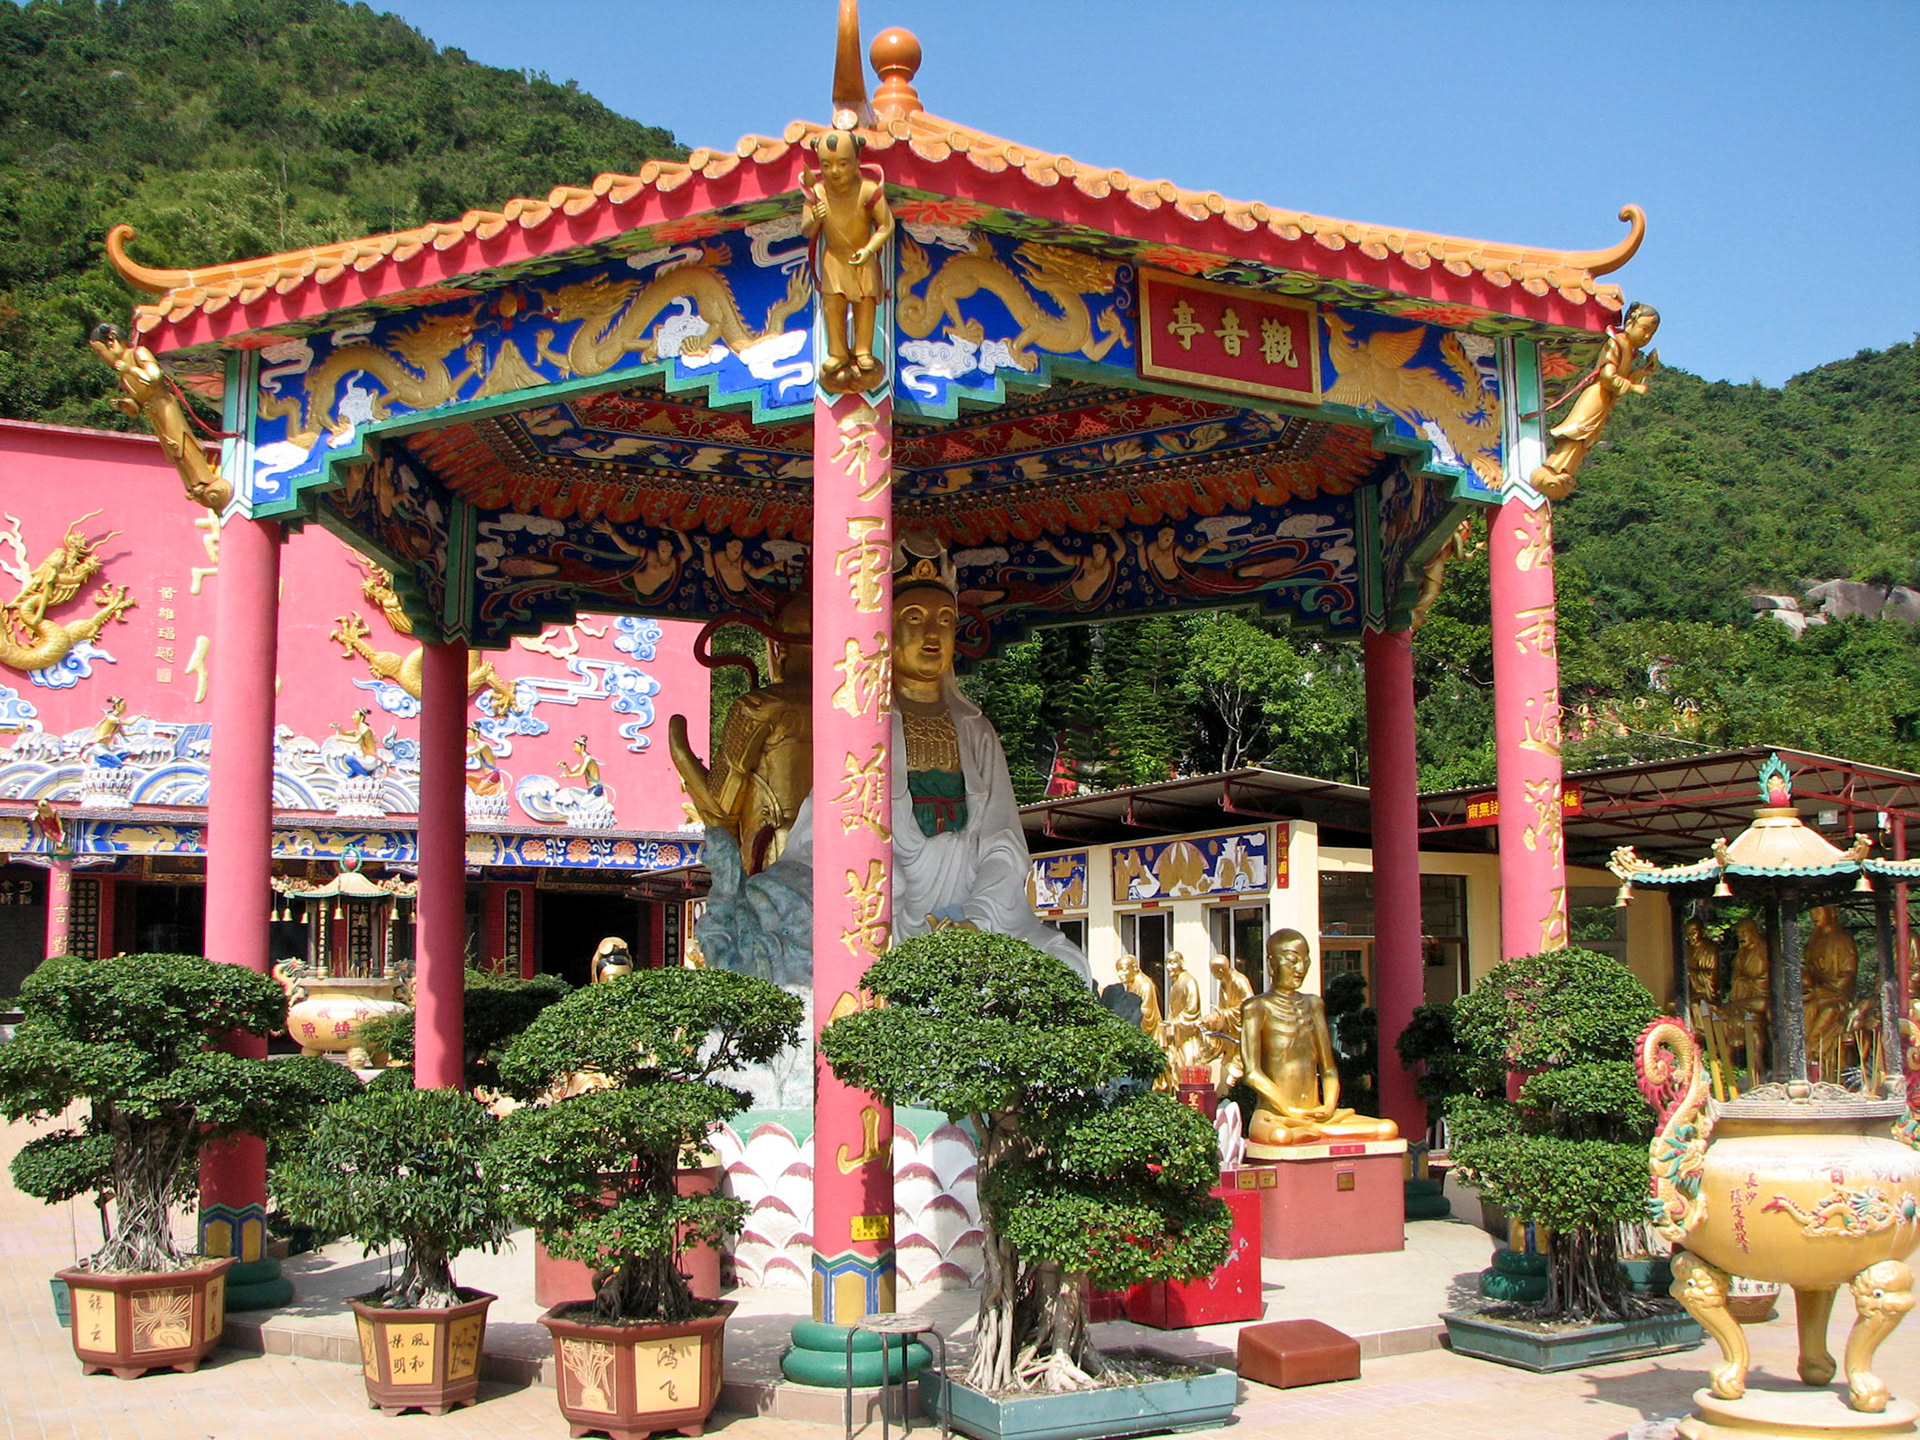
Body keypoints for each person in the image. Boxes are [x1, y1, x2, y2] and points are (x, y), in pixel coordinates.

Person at [1240, 928, 1397, 1151]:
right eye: (1292, 961)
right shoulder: (1256, 1008)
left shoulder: (1313, 1005)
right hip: (1275, 1115)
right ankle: (1312, 1131)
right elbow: (1252, 1073)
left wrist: (1329, 1105)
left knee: (1386, 1129)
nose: (1300, 969)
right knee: (1281, 1136)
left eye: (1305, 961)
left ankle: (1315, 1132)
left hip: (1316, 1114)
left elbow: (1329, 1069)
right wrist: (1289, 1110)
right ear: (1271, 963)